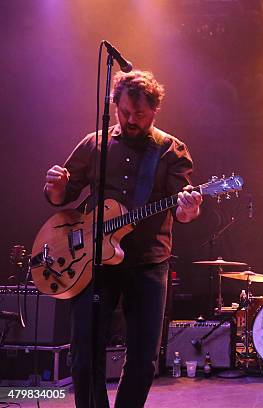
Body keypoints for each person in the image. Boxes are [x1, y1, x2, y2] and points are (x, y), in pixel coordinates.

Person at [44, 70, 203, 408]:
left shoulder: (171, 150)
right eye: (125, 113)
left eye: (140, 115)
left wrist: (189, 209)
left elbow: (182, 209)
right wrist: (55, 188)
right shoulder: (94, 142)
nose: (131, 120)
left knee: (144, 358)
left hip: (147, 262)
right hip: (94, 262)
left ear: (155, 110)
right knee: (84, 353)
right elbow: (64, 195)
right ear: (114, 105)